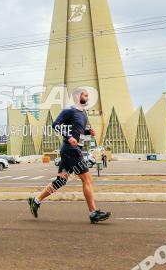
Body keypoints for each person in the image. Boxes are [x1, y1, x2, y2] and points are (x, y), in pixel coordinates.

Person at [27, 88, 110, 223]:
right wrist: (68, 136)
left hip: (72, 150)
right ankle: (93, 213)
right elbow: (55, 125)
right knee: (87, 180)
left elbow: (80, 133)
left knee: (61, 180)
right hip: (71, 150)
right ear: (77, 97)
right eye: (85, 95)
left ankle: (36, 201)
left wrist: (89, 132)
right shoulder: (69, 111)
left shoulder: (83, 114)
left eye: (88, 96)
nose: (87, 98)